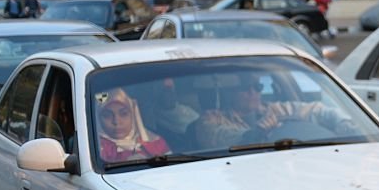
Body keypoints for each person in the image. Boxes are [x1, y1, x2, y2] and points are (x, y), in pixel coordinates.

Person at [195, 74, 356, 150]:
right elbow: (218, 137)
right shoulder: (211, 118)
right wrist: (254, 135)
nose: (254, 93)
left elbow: (314, 111)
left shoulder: (272, 109)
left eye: (258, 87)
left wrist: (344, 124)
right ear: (229, 92)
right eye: (245, 88)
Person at [97, 88, 170, 163]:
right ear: (97, 119)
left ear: (134, 115)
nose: (116, 121)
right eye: (107, 115)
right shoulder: (94, 150)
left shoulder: (155, 142)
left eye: (124, 114)